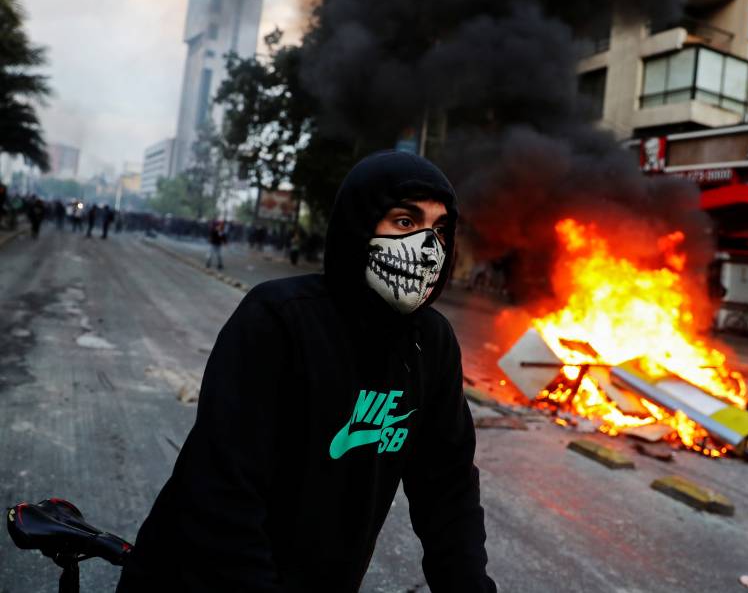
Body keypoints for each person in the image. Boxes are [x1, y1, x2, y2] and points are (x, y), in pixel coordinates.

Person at [116, 152, 496, 593]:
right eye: (405, 222)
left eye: (440, 229)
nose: (428, 246)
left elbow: (448, 492)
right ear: (359, 224)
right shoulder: (278, 319)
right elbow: (224, 500)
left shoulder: (432, 343)